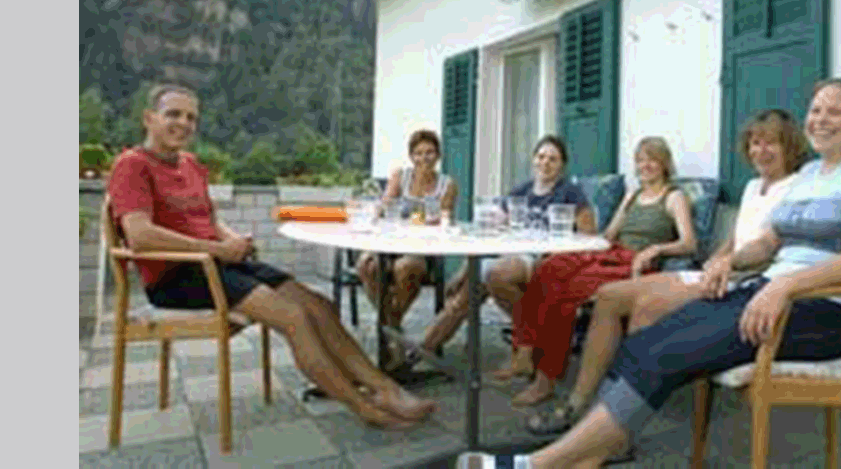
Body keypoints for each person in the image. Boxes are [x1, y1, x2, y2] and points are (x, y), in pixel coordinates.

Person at [458, 78, 841, 468]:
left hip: (825, 311)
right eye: (816, 110)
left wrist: (783, 286)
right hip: (769, 294)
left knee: (665, 352)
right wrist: (729, 261)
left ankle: (542, 464)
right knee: (645, 342)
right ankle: (590, 453)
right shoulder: (809, 174)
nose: (820, 119)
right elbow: (768, 242)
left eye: (835, 111)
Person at [107, 83, 437, 431]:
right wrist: (218, 249)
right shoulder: (132, 165)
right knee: (294, 317)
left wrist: (233, 240)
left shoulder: (189, 164)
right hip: (177, 276)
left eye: (191, 117)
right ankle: (363, 407)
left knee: (320, 306)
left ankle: (386, 390)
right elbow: (140, 236)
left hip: (217, 264)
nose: (184, 123)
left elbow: (209, 220)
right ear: (149, 118)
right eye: (173, 114)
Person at [525, 108, 810, 435]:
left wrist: (722, 264)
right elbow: (735, 240)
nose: (761, 151)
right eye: (755, 143)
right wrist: (716, 260)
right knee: (607, 296)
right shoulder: (753, 186)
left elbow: (770, 247)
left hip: (750, 283)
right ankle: (578, 405)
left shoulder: (797, 187)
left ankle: (616, 428)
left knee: (645, 307)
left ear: (789, 145)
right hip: (719, 273)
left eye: (771, 143)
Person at [500, 136, 699, 407]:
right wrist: (577, 249)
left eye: (652, 160)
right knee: (547, 270)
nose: (645, 165)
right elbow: (608, 235)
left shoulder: (673, 196)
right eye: (640, 160)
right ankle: (525, 351)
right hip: (610, 252)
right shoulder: (632, 195)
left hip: (636, 263)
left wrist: (657, 249)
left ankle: (546, 379)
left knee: (565, 296)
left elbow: (689, 243)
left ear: (664, 163)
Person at [394, 135, 596, 370]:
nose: (545, 163)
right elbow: (489, 231)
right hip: (514, 254)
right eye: (541, 157)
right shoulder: (522, 190)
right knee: (462, 299)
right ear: (533, 160)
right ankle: (416, 356)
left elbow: (588, 236)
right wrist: (462, 272)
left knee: (495, 275)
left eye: (553, 159)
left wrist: (556, 255)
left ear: (562, 164)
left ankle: (531, 340)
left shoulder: (570, 192)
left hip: (546, 259)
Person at [355, 129, 458, 369]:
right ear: (411, 156)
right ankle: (395, 330)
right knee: (366, 264)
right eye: (418, 153)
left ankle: (389, 330)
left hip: (423, 247)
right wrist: (380, 210)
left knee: (408, 268)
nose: (424, 158)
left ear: (438, 155)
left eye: (430, 152)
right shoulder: (400, 176)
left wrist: (420, 221)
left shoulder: (447, 184)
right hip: (391, 242)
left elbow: (444, 219)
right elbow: (385, 206)